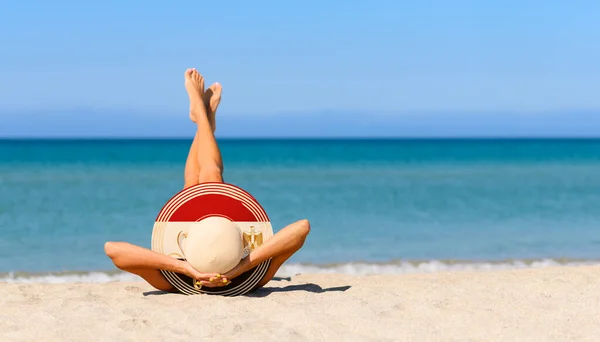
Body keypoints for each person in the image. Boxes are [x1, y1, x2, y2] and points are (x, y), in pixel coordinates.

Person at [104, 68, 310, 293]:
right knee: (211, 175)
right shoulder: (252, 277)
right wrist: (240, 269)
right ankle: (202, 118)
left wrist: (185, 270)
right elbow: (302, 228)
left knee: (194, 182)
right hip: (238, 269)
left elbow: (113, 249)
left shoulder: (172, 281)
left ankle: (202, 116)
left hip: (190, 269)